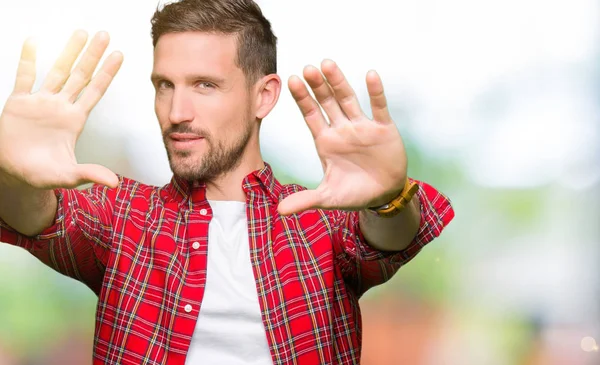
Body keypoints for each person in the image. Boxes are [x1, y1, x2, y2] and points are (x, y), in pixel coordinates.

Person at [0, 0, 454, 364]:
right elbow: (34, 215)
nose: (177, 112)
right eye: (165, 85)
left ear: (264, 96)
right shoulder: (124, 217)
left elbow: (391, 236)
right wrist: (12, 173)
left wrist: (387, 197)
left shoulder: (316, 218)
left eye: (205, 85)